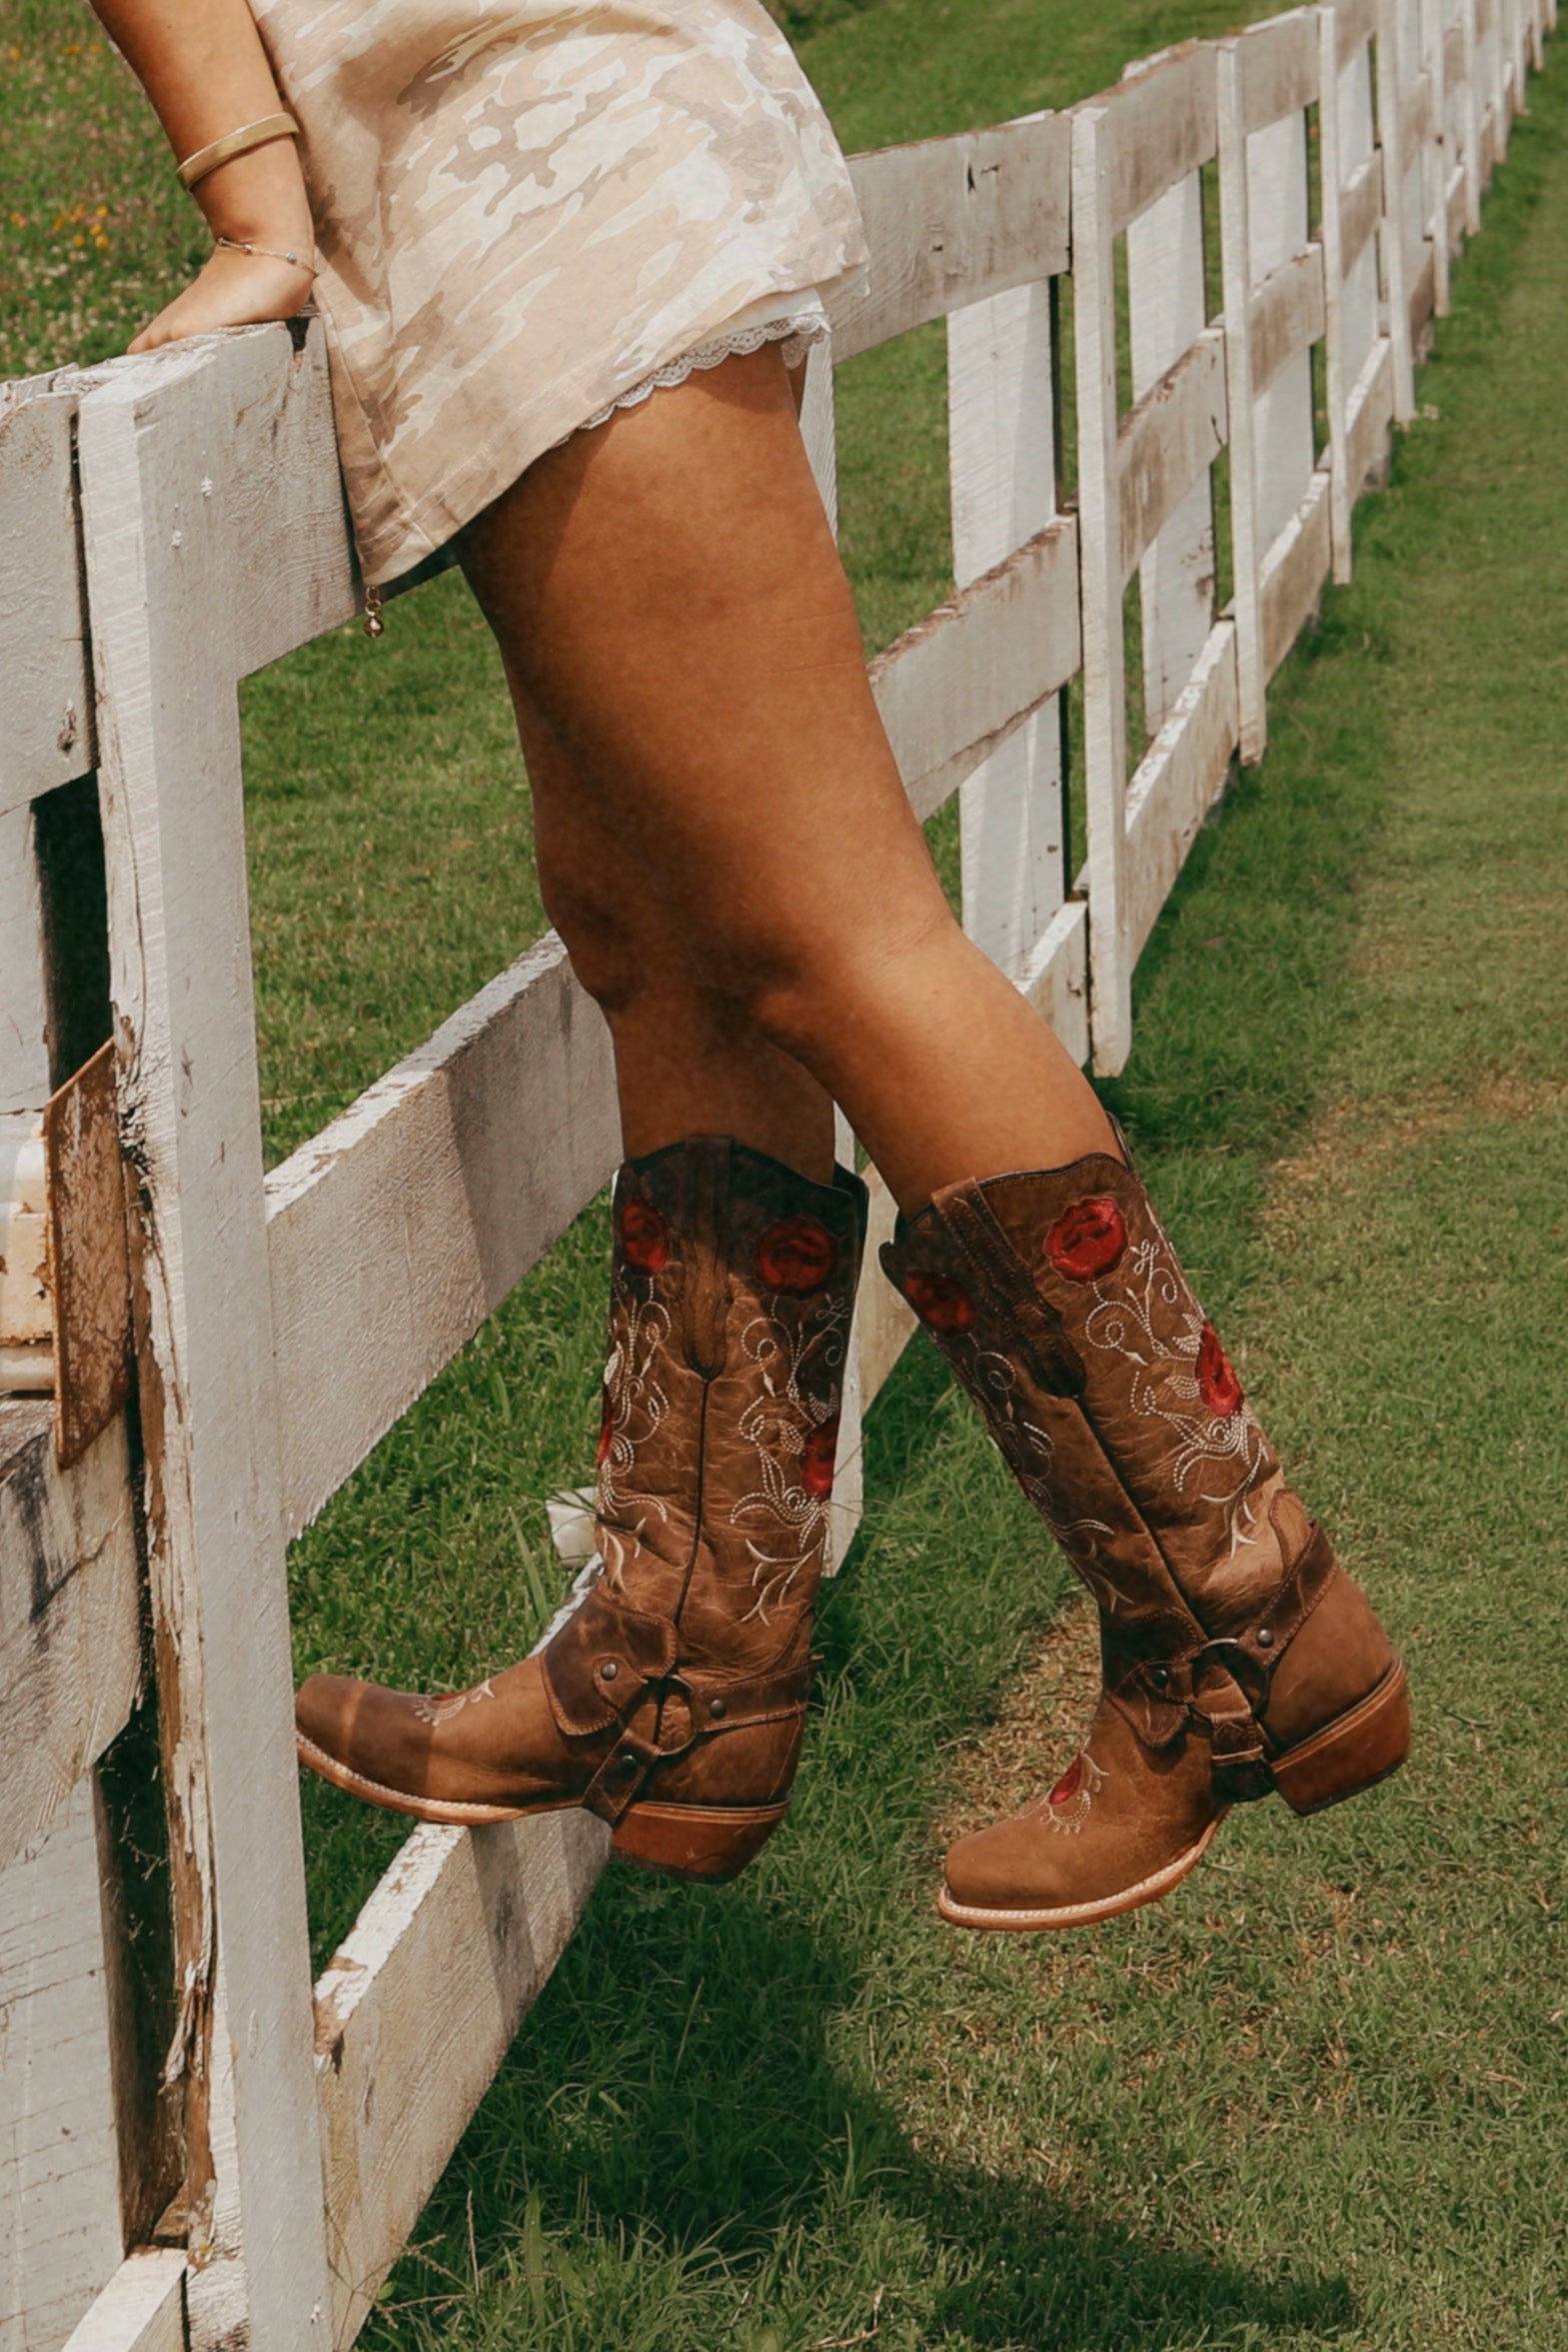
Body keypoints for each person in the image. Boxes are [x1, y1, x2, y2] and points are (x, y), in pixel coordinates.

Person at [91, 0, 1408, 1931]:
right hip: (554, 145)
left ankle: (1234, 1629)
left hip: (539, 168)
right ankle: (681, 1656)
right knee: (661, 947)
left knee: (828, 934)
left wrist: (252, 208)